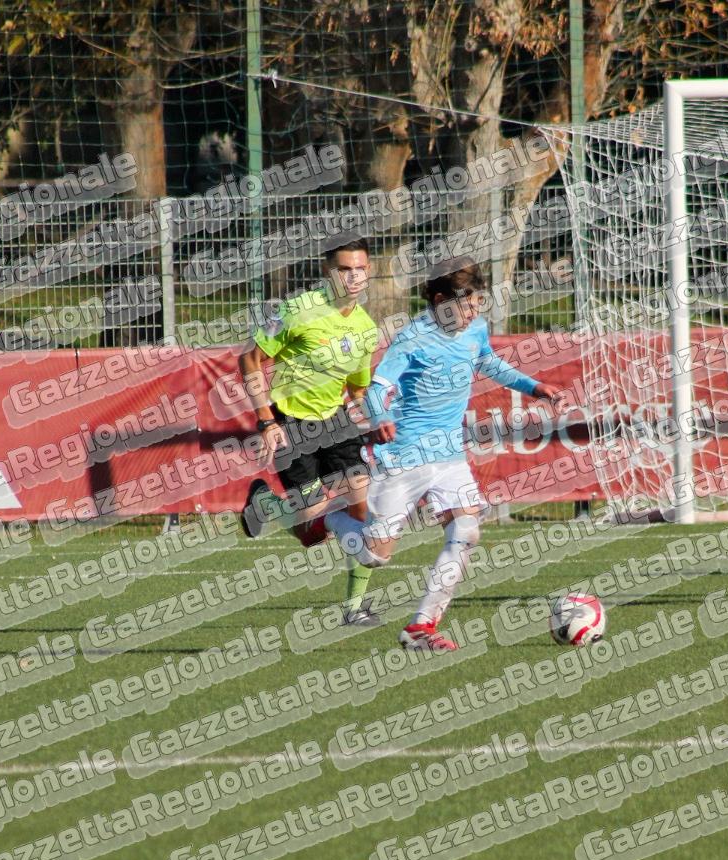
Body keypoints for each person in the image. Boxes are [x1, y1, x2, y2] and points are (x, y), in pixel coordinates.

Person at [327, 259, 566, 651]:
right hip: (404, 455)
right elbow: (377, 387)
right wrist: (381, 416)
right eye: (466, 305)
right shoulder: (412, 337)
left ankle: (420, 627)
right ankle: (330, 517)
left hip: (450, 457)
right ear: (440, 301)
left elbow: (487, 361)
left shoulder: (475, 329)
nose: (473, 313)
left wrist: (533, 387)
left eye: (477, 305)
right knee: (374, 557)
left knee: (466, 531)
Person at [237, 239, 381, 626]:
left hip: (337, 421)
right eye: (345, 270)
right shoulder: (298, 311)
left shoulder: (366, 328)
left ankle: (355, 608)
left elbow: (358, 388)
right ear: (327, 272)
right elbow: (249, 358)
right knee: (313, 534)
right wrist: (266, 421)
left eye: (360, 269)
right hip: (291, 423)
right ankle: (265, 504)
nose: (354, 277)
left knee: (363, 510)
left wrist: (376, 414)